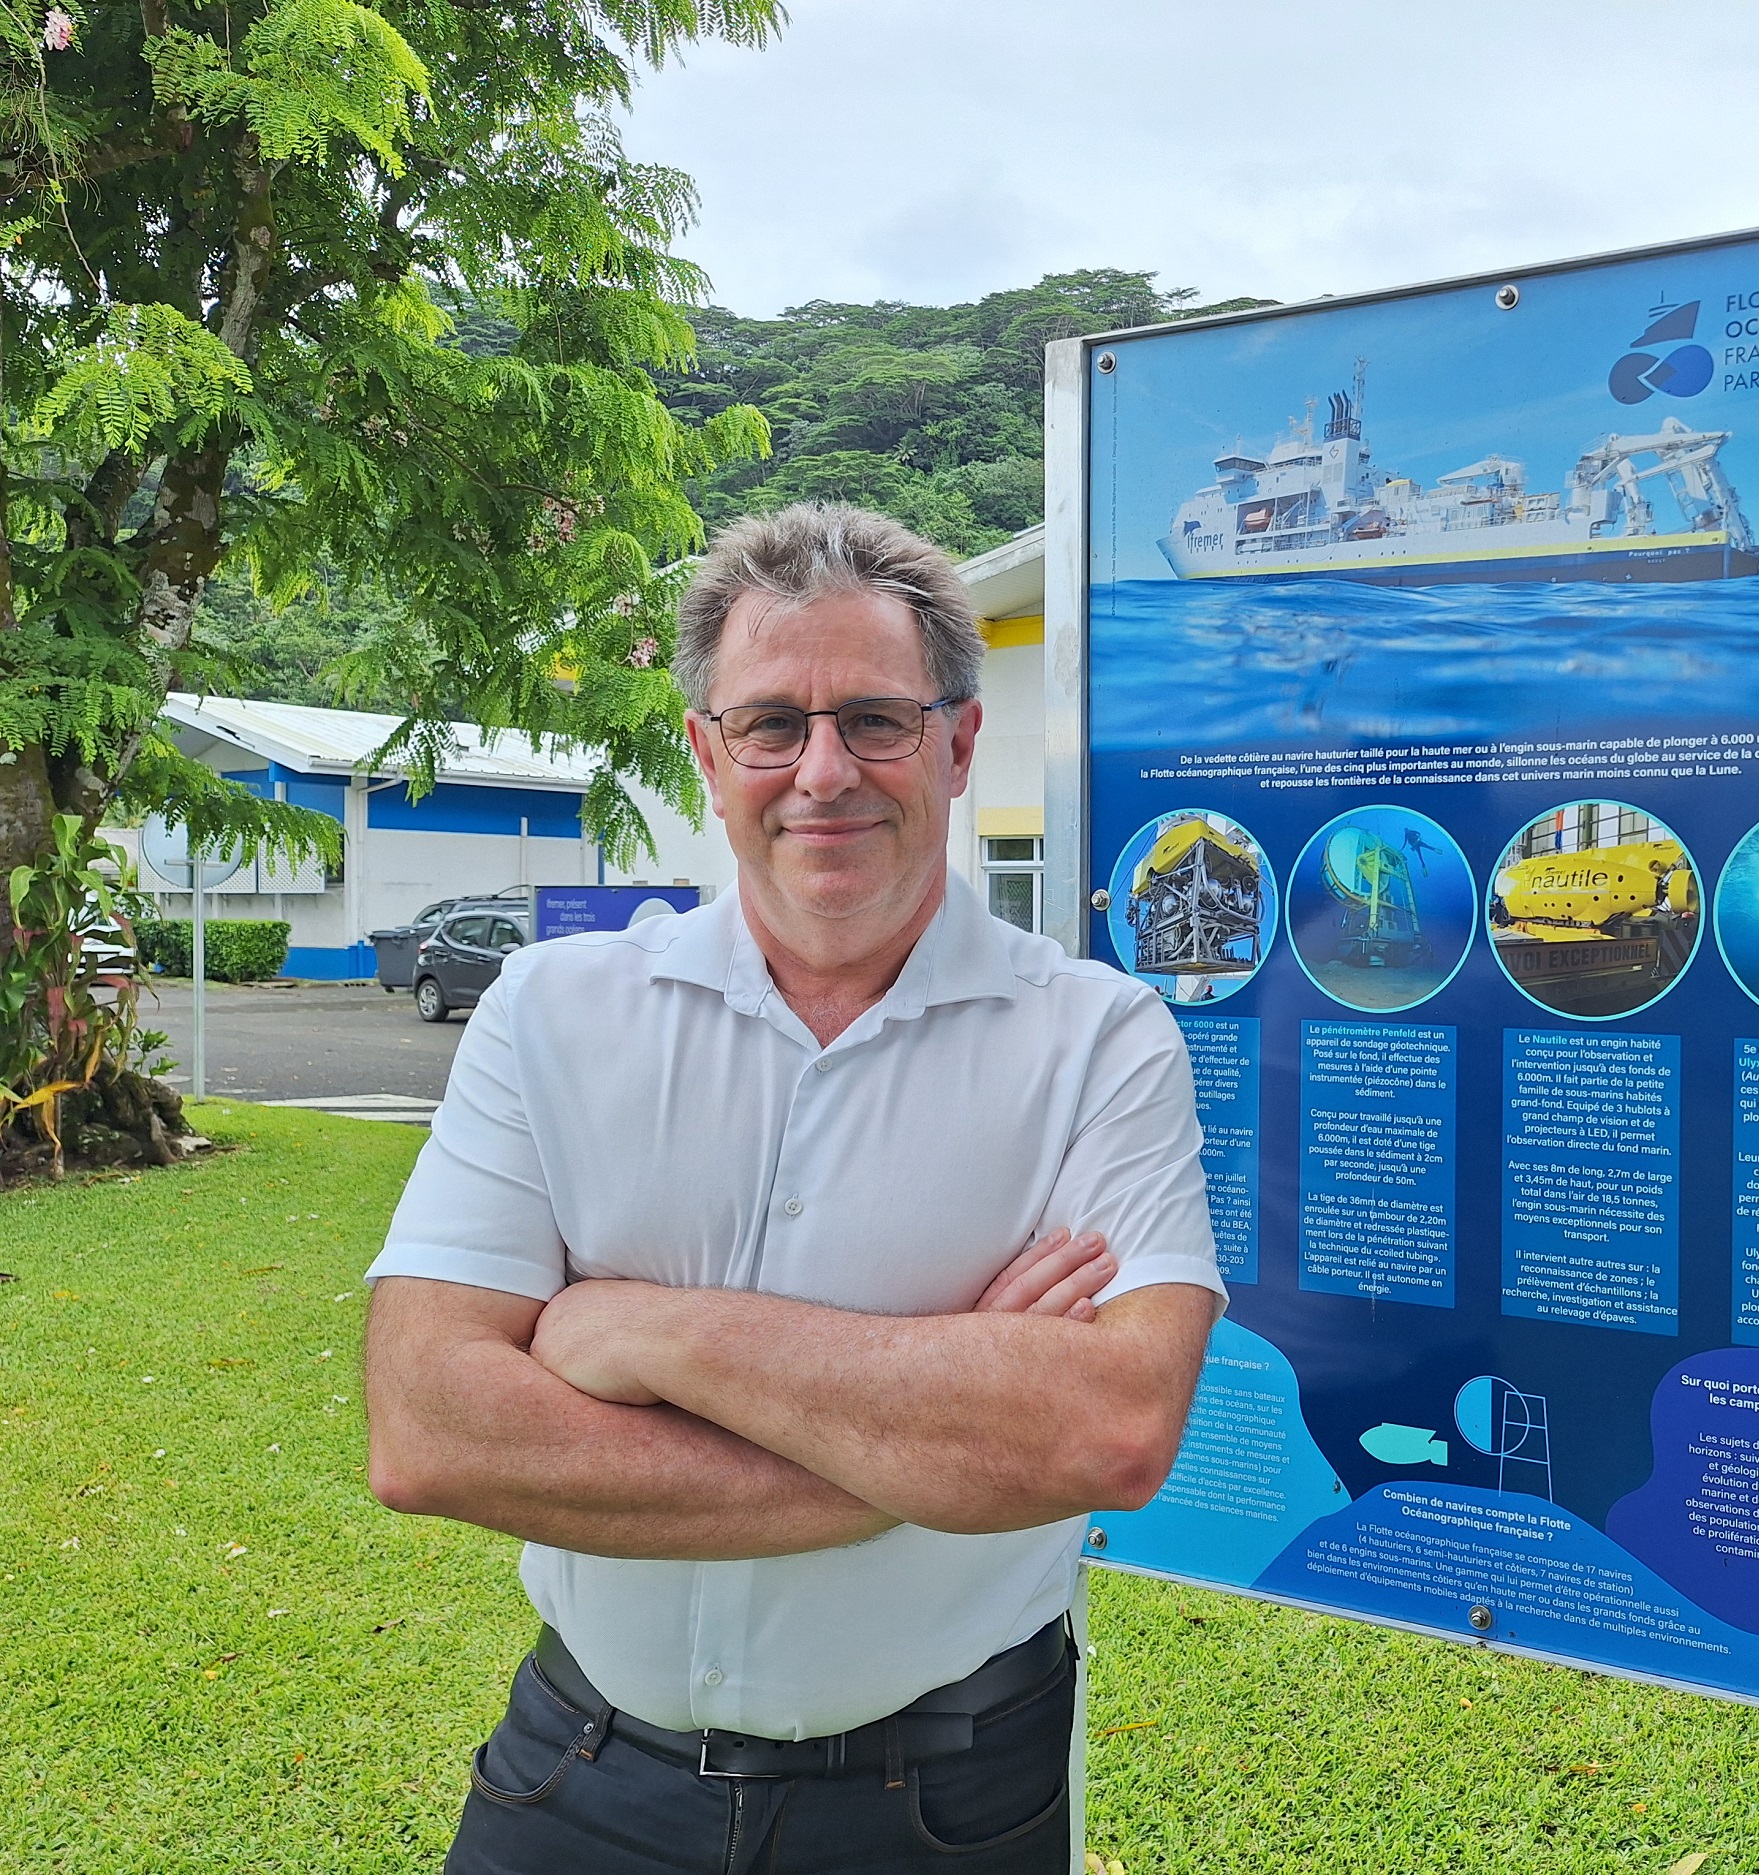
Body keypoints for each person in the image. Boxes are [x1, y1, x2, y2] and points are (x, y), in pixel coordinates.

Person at [362, 503, 1224, 1874]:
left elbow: (1108, 1436)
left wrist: (645, 1331)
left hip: (941, 1801)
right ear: (709, 752)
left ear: (957, 739)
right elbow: (430, 1431)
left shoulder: (1097, 1038)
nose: (823, 772)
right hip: (577, 1775)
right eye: (772, 724)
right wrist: (936, 1442)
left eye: (876, 719)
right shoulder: (552, 1010)